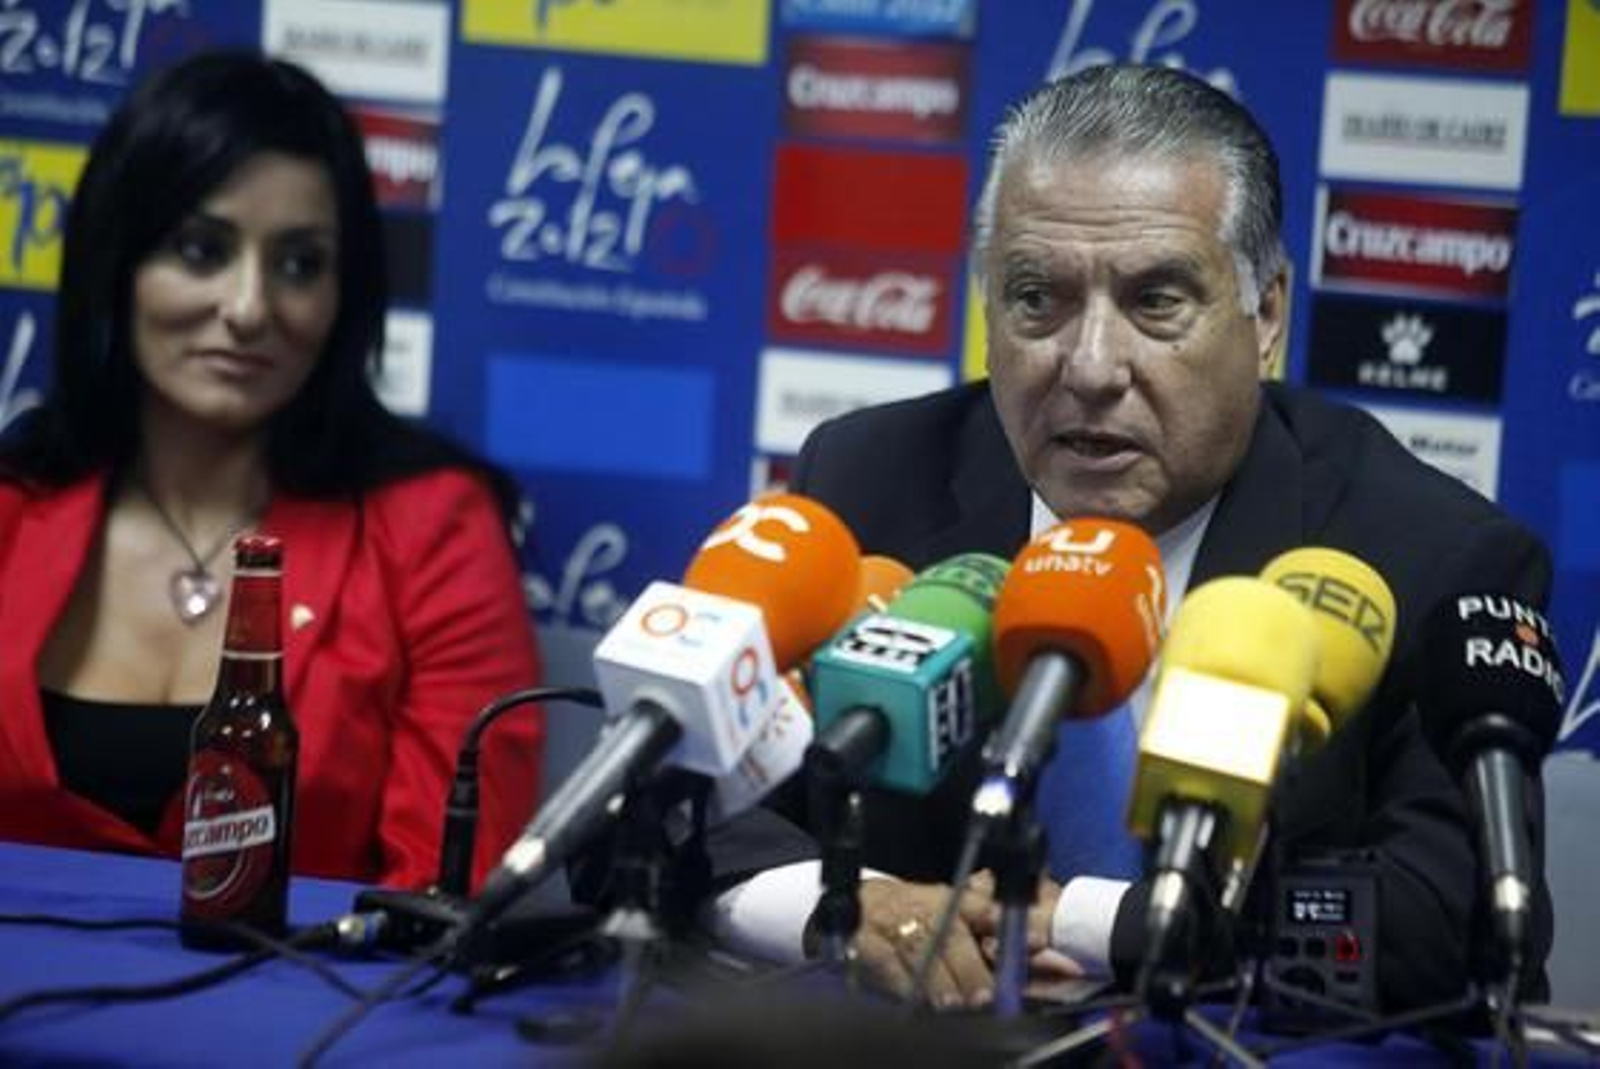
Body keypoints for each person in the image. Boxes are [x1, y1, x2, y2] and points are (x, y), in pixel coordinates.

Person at [701, 64, 1552, 1013]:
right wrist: (839, 907)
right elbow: (667, 802)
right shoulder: (864, 481)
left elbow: (1454, 920)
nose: (1092, 367)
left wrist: (1082, 920)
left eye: (1155, 301)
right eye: (1038, 299)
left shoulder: (1419, 553)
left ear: (1264, 315)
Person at [0, 51, 544, 890]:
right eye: (200, 248)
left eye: (299, 264)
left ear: (345, 294)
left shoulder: (435, 527)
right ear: (119, 264)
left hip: (316, 1020)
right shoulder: (12, 504)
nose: (250, 308)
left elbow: (448, 900)